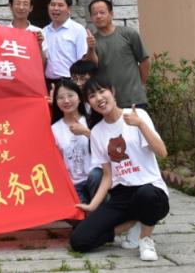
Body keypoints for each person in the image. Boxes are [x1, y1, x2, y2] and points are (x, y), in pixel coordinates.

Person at [70, 78, 169, 262]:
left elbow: (162, 152)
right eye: (92, 96)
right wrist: (92, 206)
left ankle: (145, 239)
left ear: (112, 91)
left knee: (146, 195)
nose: (99, 98)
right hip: (122, 195)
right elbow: (107, 175)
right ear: (88, 102)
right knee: (79, 240)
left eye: (102, 91)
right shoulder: (97, 132)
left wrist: (140, 124)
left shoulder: (137, 114)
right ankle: (133, 223)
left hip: (151, 189)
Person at [89, 0, 150, 109]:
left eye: (102, 12)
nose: (98, 16)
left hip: (134, 99)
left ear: (111, 14)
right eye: (94, 14)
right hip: (107, 102)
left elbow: (144, 61)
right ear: (91, 18)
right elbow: (94, 66)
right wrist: (91, 49)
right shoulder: (92, 41)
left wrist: (140, 85)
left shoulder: (128, 33)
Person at [50, 80, 92, 204]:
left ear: (79, 98)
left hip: (95, 180)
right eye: (60, 97)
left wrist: (86, 132)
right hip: (72, 185)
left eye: (70, 95)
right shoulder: (54, 129)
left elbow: (105, 146)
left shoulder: (91, 121)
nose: (66, 101)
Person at [43, 0, 94, 89]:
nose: (55, 8)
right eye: (52, 5)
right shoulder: (44, 31)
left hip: (70, 82)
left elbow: (82, 59)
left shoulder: (78, 30)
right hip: (48, 82)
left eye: (60, 5)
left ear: (69, 9)